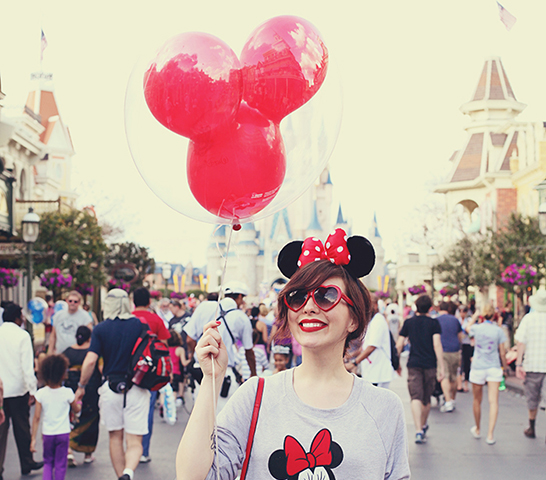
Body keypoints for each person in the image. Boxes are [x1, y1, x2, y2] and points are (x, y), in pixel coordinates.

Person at [176, 229, 410, 479]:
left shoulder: (384, 408)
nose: (308, 307)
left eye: (326, 296)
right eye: (297, 297)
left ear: (354, 318)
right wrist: (211, 378)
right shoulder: (256, 397)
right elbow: (193, 476)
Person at [75, 289, 150, 480]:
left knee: (115, 437)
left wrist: (81, 386)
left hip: (110, 388)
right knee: (135, 441)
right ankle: (128, 472)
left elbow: (91, 361)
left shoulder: (100, 329)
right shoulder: (140, 325)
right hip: (137, 387)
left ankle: (120, 476)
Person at [184, 281, 256, 412]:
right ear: (239, 296)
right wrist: (253, 374)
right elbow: (249, 351)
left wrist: (195, 354)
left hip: (200, 370)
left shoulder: (203, 307)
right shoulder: (241, 318)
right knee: (223, 419)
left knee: (201, 416)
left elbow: (189, 339)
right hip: (224, 373)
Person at [0, 303, 44, 478]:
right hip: (18, 389)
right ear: (17, 318)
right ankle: (27, 462)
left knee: (1, 431)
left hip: (1, 391)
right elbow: (27, 366)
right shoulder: (22, 336)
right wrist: (33, 390)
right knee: (22, 427)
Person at [396, 294, 445, 444]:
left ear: (416, 307)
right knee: (426, 398)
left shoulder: (409, 322)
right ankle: (423, 425)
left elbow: (399, 344)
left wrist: (396, 362)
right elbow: (437, 344)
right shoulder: (434, 323)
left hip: (414, 363)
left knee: (415, 397)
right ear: (430, 307)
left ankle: (418, 430)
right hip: (430, 363)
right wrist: (441, 366)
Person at [131, 287, 170, 464]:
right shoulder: (156, 320)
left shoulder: (128, 318)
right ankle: (143, 451)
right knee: (147, 412)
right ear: (148, 302)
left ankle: (130, 450)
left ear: (133, 301)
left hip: (128, 372)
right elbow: (164, 346)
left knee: (127, 411)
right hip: (149, 372)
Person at [30, 355, 81, 480]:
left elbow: (36, 417)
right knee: (60, 464)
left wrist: (33, 439)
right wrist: (79, 402)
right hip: (63, 433)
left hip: (47, 434)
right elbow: (77, 410)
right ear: (63, 374)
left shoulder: (41, 393)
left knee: (48, 462)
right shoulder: (67, 393)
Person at [466, 305, 507, 445]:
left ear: (483, 315)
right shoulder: (498, 331)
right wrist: (505, 367)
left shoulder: (477, 328)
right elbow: (502, 352)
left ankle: (478, 428)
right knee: (493, 401)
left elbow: (466, 328)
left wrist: (475, 316)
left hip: (478, 366)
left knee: (477, 400)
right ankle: (490, 435)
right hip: (494, 366)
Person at [62, 326, 101, 465]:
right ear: (90, 338)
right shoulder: (93, 352)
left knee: (69, 416)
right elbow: (101, 368)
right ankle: (87, 454)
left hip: (70, 387)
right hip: (90, 387)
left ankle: (69, 452)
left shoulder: (67, 351)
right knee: (90, 416)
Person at [514, 289, 546, 440]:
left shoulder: (528, 319)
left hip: (532, 364)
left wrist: (519, 363)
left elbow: (521, 342)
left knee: (532, 398)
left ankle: (532, 426)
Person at [355, 294, 394, 388]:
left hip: (378, 373)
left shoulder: (378, 321)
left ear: (375, 305)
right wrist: (351, 356)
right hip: (372, 372)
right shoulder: (372, 321)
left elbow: (372, 346)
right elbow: (365, 346)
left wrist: (355, 362)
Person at [436, 301, 463, 412]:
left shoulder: (436, 320)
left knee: (444, 376)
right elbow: (460, 336)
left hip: (443, 350)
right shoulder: (455, 320)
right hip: (455, 350)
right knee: (453, 375)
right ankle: (452, 399)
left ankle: (447, 401)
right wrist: (459, 348)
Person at [168, 330, 191, 405]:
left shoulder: (167, 349)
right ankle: (177, 401)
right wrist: (190, 360)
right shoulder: (180, 349)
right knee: (175, 390)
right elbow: (184, 363)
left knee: (168, 391)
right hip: (177, 373)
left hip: (169, 373)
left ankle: (164, 405)